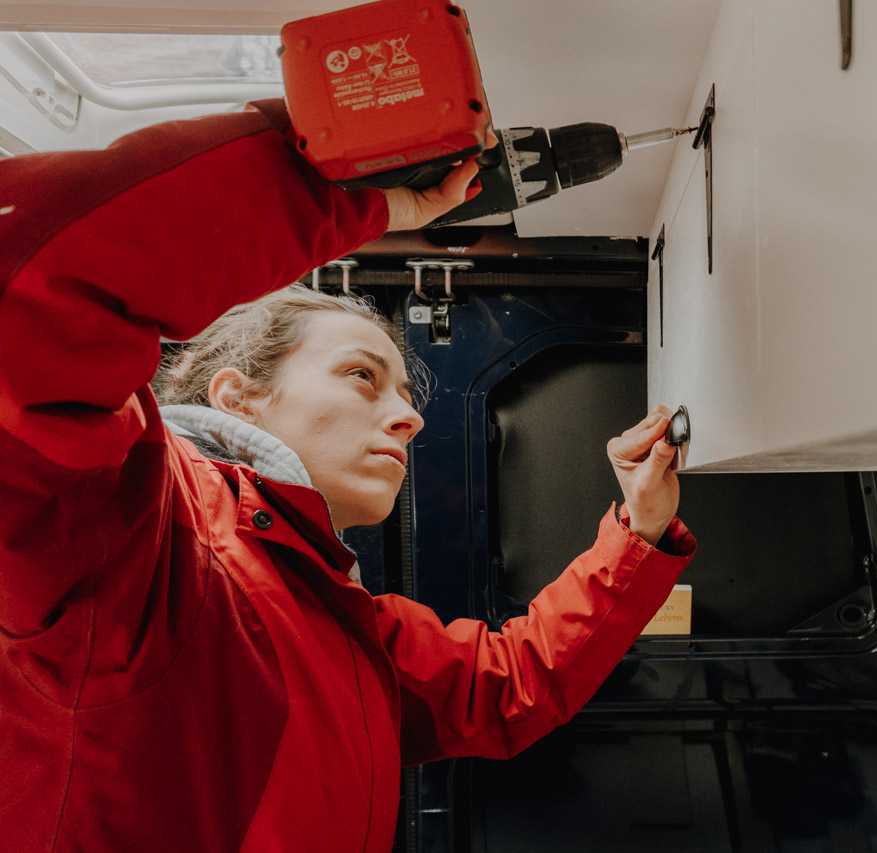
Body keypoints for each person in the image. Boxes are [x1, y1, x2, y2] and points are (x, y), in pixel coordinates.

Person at [0, 98, 695, 853]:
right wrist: (344, 189)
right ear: (239, 395)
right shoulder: (133, 526)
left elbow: (506, 683)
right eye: (363, 376)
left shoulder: (335, 612)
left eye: (407, 393)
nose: (410, 417)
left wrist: (639, 527)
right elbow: (31, 288)